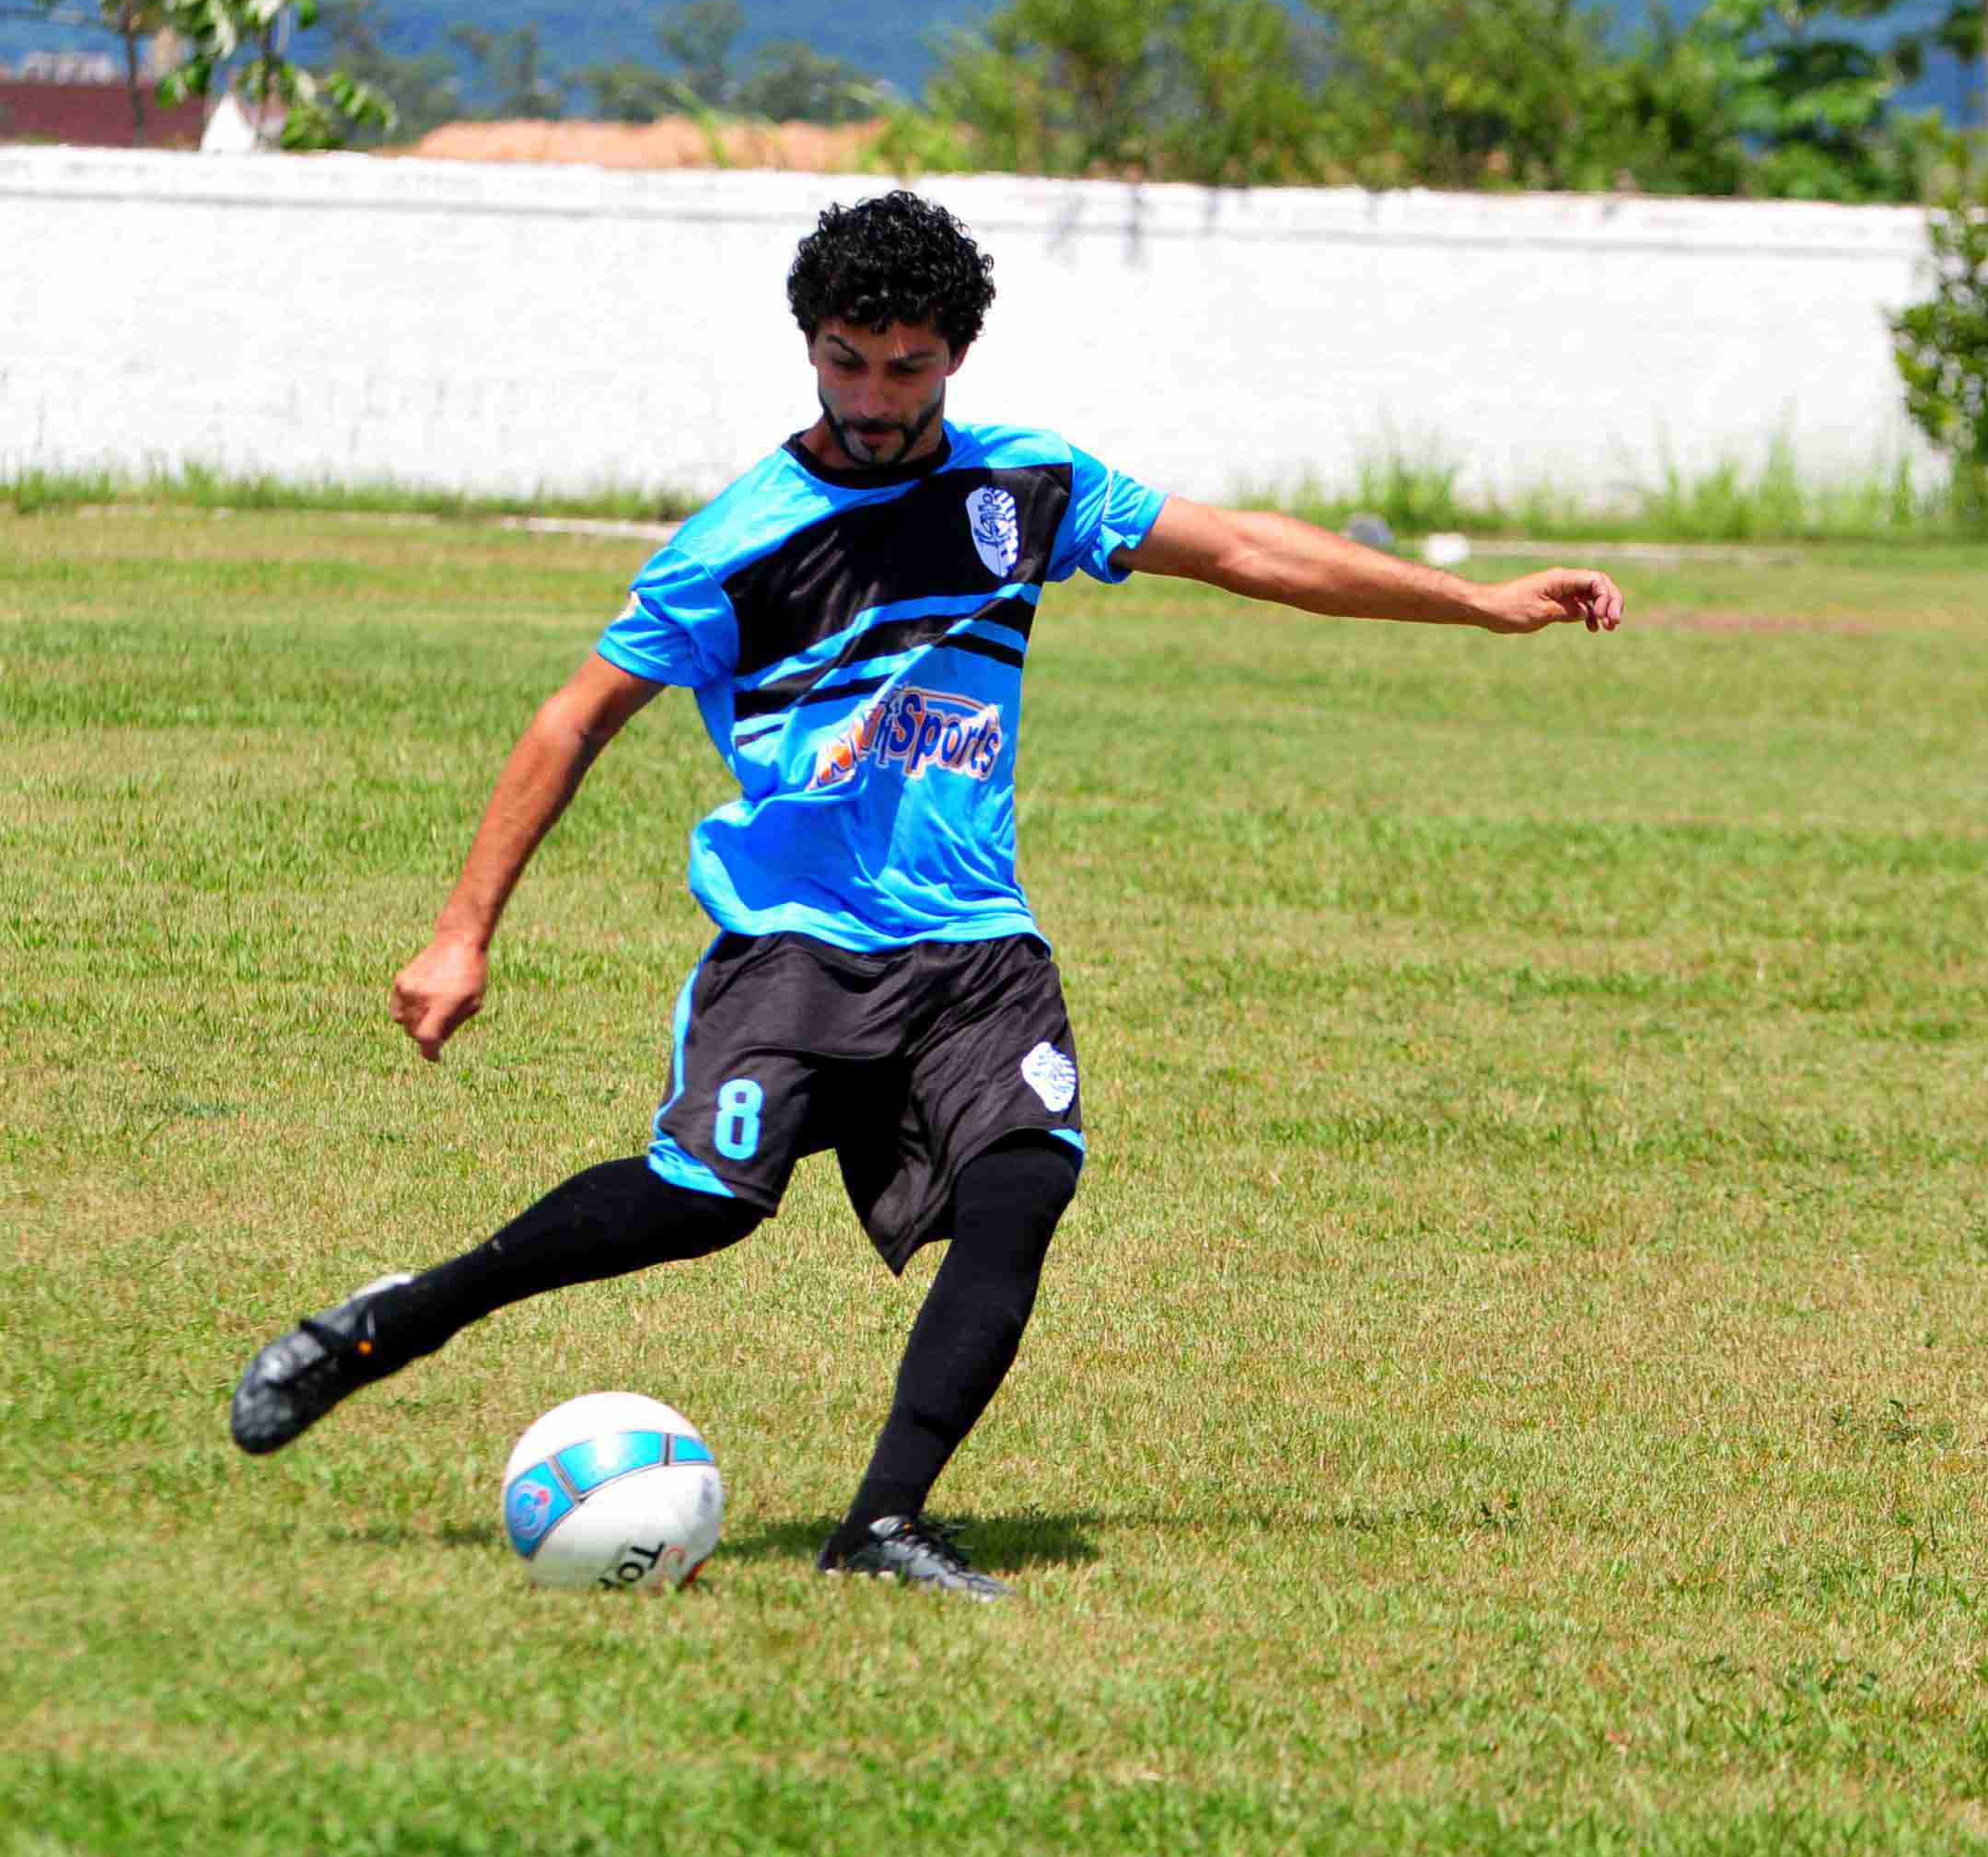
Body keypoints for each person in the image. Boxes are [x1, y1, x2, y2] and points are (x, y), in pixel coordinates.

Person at [228, 189, 1624, 1596]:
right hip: (798, 948)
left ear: (956, 354)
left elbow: (1246, 552)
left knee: (1026, 1185)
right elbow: (570, 720)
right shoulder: (741, 541)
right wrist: (462, 932)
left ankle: (880, 1526)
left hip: (975, 948)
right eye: (847, 360)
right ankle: (392, 1325)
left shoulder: (1027, 489)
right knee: (697, 1203)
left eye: (908, 365)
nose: (875, 395)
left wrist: (1485, 601)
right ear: (811, 347)